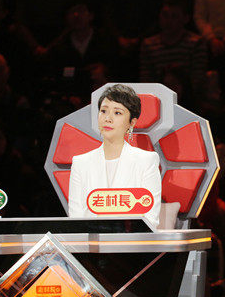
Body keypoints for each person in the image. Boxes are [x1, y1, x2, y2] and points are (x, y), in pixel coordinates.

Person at [68, 84, 162, 228]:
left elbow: (150, 220)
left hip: (131, 240)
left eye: (117, 113)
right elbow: (76, 220)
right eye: (103, 111)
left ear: (131, 123)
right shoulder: (80, 163)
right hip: (92, 240)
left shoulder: (146, 161)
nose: (108, 118)